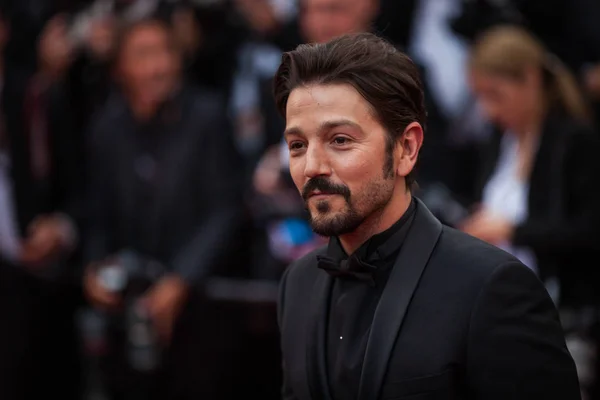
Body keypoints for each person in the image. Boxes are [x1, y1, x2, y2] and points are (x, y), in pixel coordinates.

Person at [274, 32, 581, 400]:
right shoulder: (297, 284)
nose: (312, 166)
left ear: (406, 148)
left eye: (340, 140)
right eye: (297, 145)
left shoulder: (491, 288)